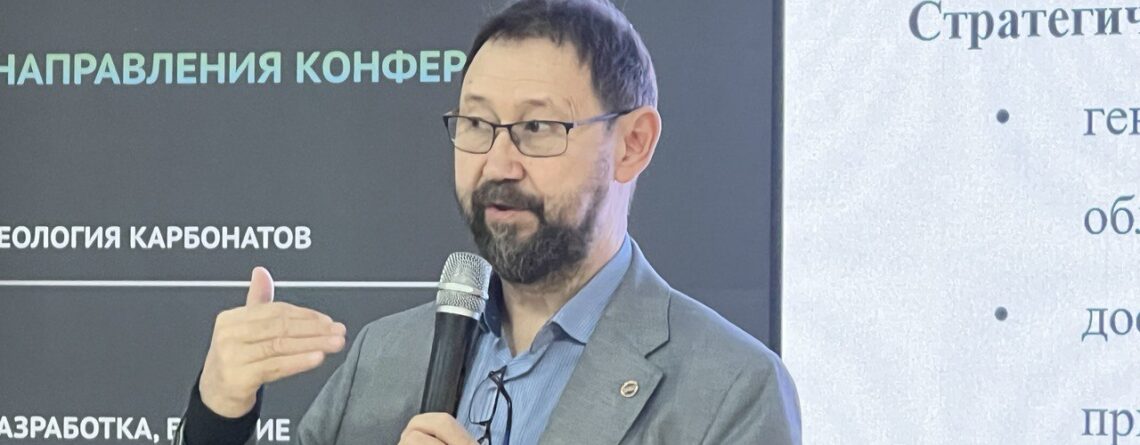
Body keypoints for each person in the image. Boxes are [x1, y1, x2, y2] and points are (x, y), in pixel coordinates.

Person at [176, 0, 801, 444]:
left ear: (632, 144)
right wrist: (219, 416)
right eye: (477, 124)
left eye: (537, 127)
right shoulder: (385, 357)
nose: (498, 164)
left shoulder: (730, 390)